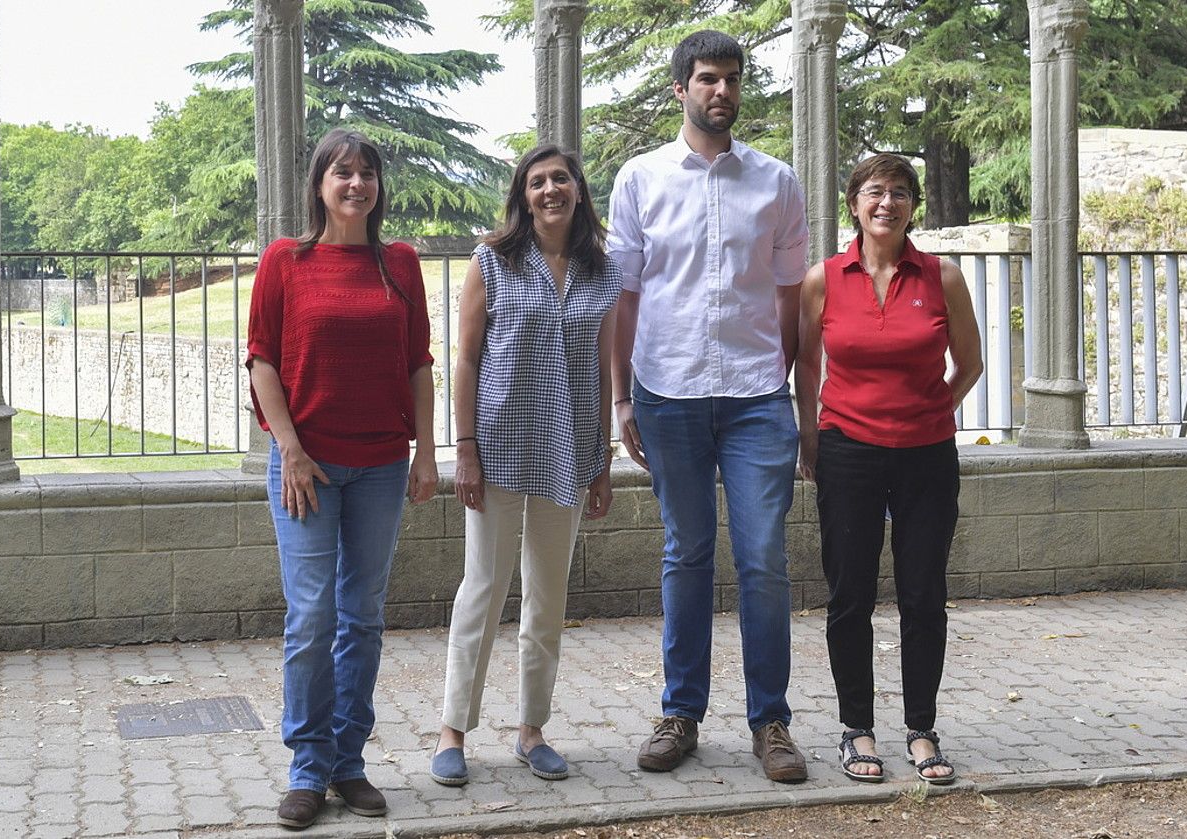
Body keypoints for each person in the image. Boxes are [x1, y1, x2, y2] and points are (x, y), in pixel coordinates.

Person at [608, 30, 810, 783]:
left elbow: (792, 297)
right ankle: (681, 711)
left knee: (763, 559)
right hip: (670, 393)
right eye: (705, 80)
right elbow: (625, 297)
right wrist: (623, 395)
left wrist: (783, 384)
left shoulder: (777, 182)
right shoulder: (640, 179)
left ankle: (772, 721)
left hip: (758, 397)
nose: (719, 91)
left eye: (729, 79)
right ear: (680, 90)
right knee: (686, 554)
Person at [246, 128, 438, 828]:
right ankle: (306, 765)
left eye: (367, 173)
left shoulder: (401, 264)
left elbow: (419, 362)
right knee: (312, 617)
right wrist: (291, 451)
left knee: (361, 616)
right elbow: (262, 360)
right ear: (319, 184)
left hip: (384, 463)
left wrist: (426, 452)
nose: (356, 184)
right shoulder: (285, 261)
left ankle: (347, 761)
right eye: (342, 172)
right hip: (308, 467)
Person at [431, 144, 621, 786]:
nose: (550, 190)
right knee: (482, 590)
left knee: (548, 596)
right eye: (537, 181)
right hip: (501, 450)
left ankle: (531, 729)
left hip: (569, 453)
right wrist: (465, 448)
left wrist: (602, 458)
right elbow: (465, 359)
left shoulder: (602, 272)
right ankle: (453, 729)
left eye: (560, 178)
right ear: (523, 194)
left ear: (577, 190)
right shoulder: (493, 260)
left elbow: (602, 368)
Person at [794, 153, 983, 786]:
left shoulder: (942, 277)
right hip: (847, 450)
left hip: (927, 455)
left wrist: (935, 408)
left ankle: (922, 729)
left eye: (900, 193)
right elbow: (807, 369)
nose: (887, 203)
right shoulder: (823, 278)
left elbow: (970, 363)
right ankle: (856, 729)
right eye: (875, 191)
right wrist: (811, 438)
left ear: (912, 207)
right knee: (850, 595)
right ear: (854, 203)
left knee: (923, 593)